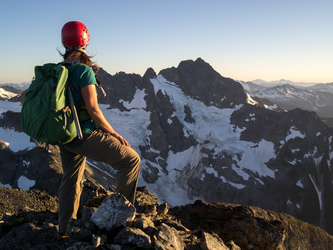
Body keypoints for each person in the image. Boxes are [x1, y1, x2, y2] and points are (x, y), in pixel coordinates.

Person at [57, 21, 141, 238]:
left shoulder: (58, 70)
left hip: (64, 135)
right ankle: (121, 219)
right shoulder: (83, 71)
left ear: (64, 42)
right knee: (130, 160)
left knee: (71, 179)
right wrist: (112, 133)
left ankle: (64, 231)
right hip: (83, 135)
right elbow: (93, 109)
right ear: (85, 41)